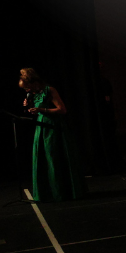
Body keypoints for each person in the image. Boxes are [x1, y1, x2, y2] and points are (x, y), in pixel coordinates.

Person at [20, 68, 85, 202]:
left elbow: (62, 110)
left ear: (33, 82)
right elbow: (35, 112)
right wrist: (30, 106)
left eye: (27, 87)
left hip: (53, 128)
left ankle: (62, 192)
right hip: (41, 127)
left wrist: (41, 109)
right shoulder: (33, 94)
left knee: (54, 158)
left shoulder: (49, 90)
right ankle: (48, 193)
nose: (26, 90)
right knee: (43, 159)